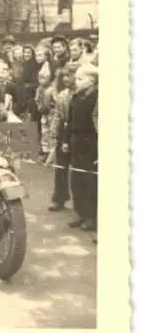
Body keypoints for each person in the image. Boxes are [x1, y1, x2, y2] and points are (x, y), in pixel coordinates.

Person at [62, 64, 98, 231]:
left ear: (91, 80)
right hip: (76, 141)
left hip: (90, 142)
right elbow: (70, 121)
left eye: (80, 79)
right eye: (76, 78)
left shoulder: (96, 96)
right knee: (76, 178)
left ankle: (91, 217)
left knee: (89, 180)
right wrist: (66, 140)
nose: (76, 81)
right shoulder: (76, 96)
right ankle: (80, 212)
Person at [46, 64, 75, 211]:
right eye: (64, 76)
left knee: (78, 171)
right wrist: (54, 134)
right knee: (60, 168)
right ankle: (59, 198)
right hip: (64, 132)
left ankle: (82, 205)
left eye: (69, 75)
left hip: (77, 132)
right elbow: (57, 116)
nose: (66, 79)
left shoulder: (81, 94)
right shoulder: (63, 95)